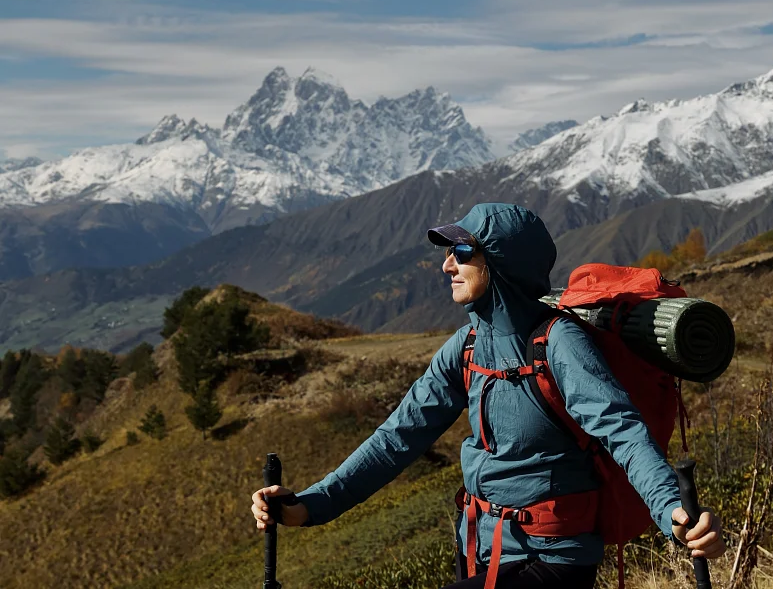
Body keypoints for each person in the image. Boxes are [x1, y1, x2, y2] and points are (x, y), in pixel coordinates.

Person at [251, 203, 725, 588]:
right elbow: (397, 438)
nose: (446, 265)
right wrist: (311, 505)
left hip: (552, 558)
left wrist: (673, 512)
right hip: (478, 546)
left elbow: (622, 431)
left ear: (499, 263)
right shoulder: (469, 345)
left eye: (461, 251)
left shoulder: (558, 341)